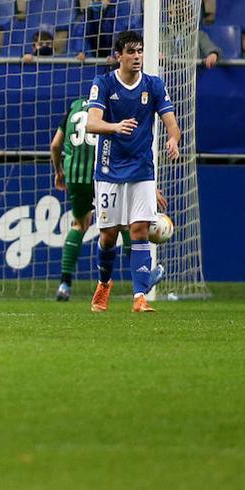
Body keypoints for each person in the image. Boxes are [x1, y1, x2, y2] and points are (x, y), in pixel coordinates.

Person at [83, 30, 181, 313]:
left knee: (139, 231)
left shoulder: (153, 85)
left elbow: (171, 123)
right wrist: (115, 127)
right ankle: (104, 284)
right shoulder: (102, 83)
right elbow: (92, 123)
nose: (137, 57)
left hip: (141, 169)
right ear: (119, 56)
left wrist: (173, 138)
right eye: (131, 52)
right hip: (108, 169)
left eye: (139, 51)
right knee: (109, 235)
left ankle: (140, 297)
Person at [50, 92, 99, 301]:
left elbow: (55, 145)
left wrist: (58, 171)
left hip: (75, 176)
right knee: (123, 222)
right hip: (100, 174)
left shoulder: (73, 108)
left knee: (79, 224)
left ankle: (64, 284)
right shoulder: (106, 106)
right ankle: (141, 281)